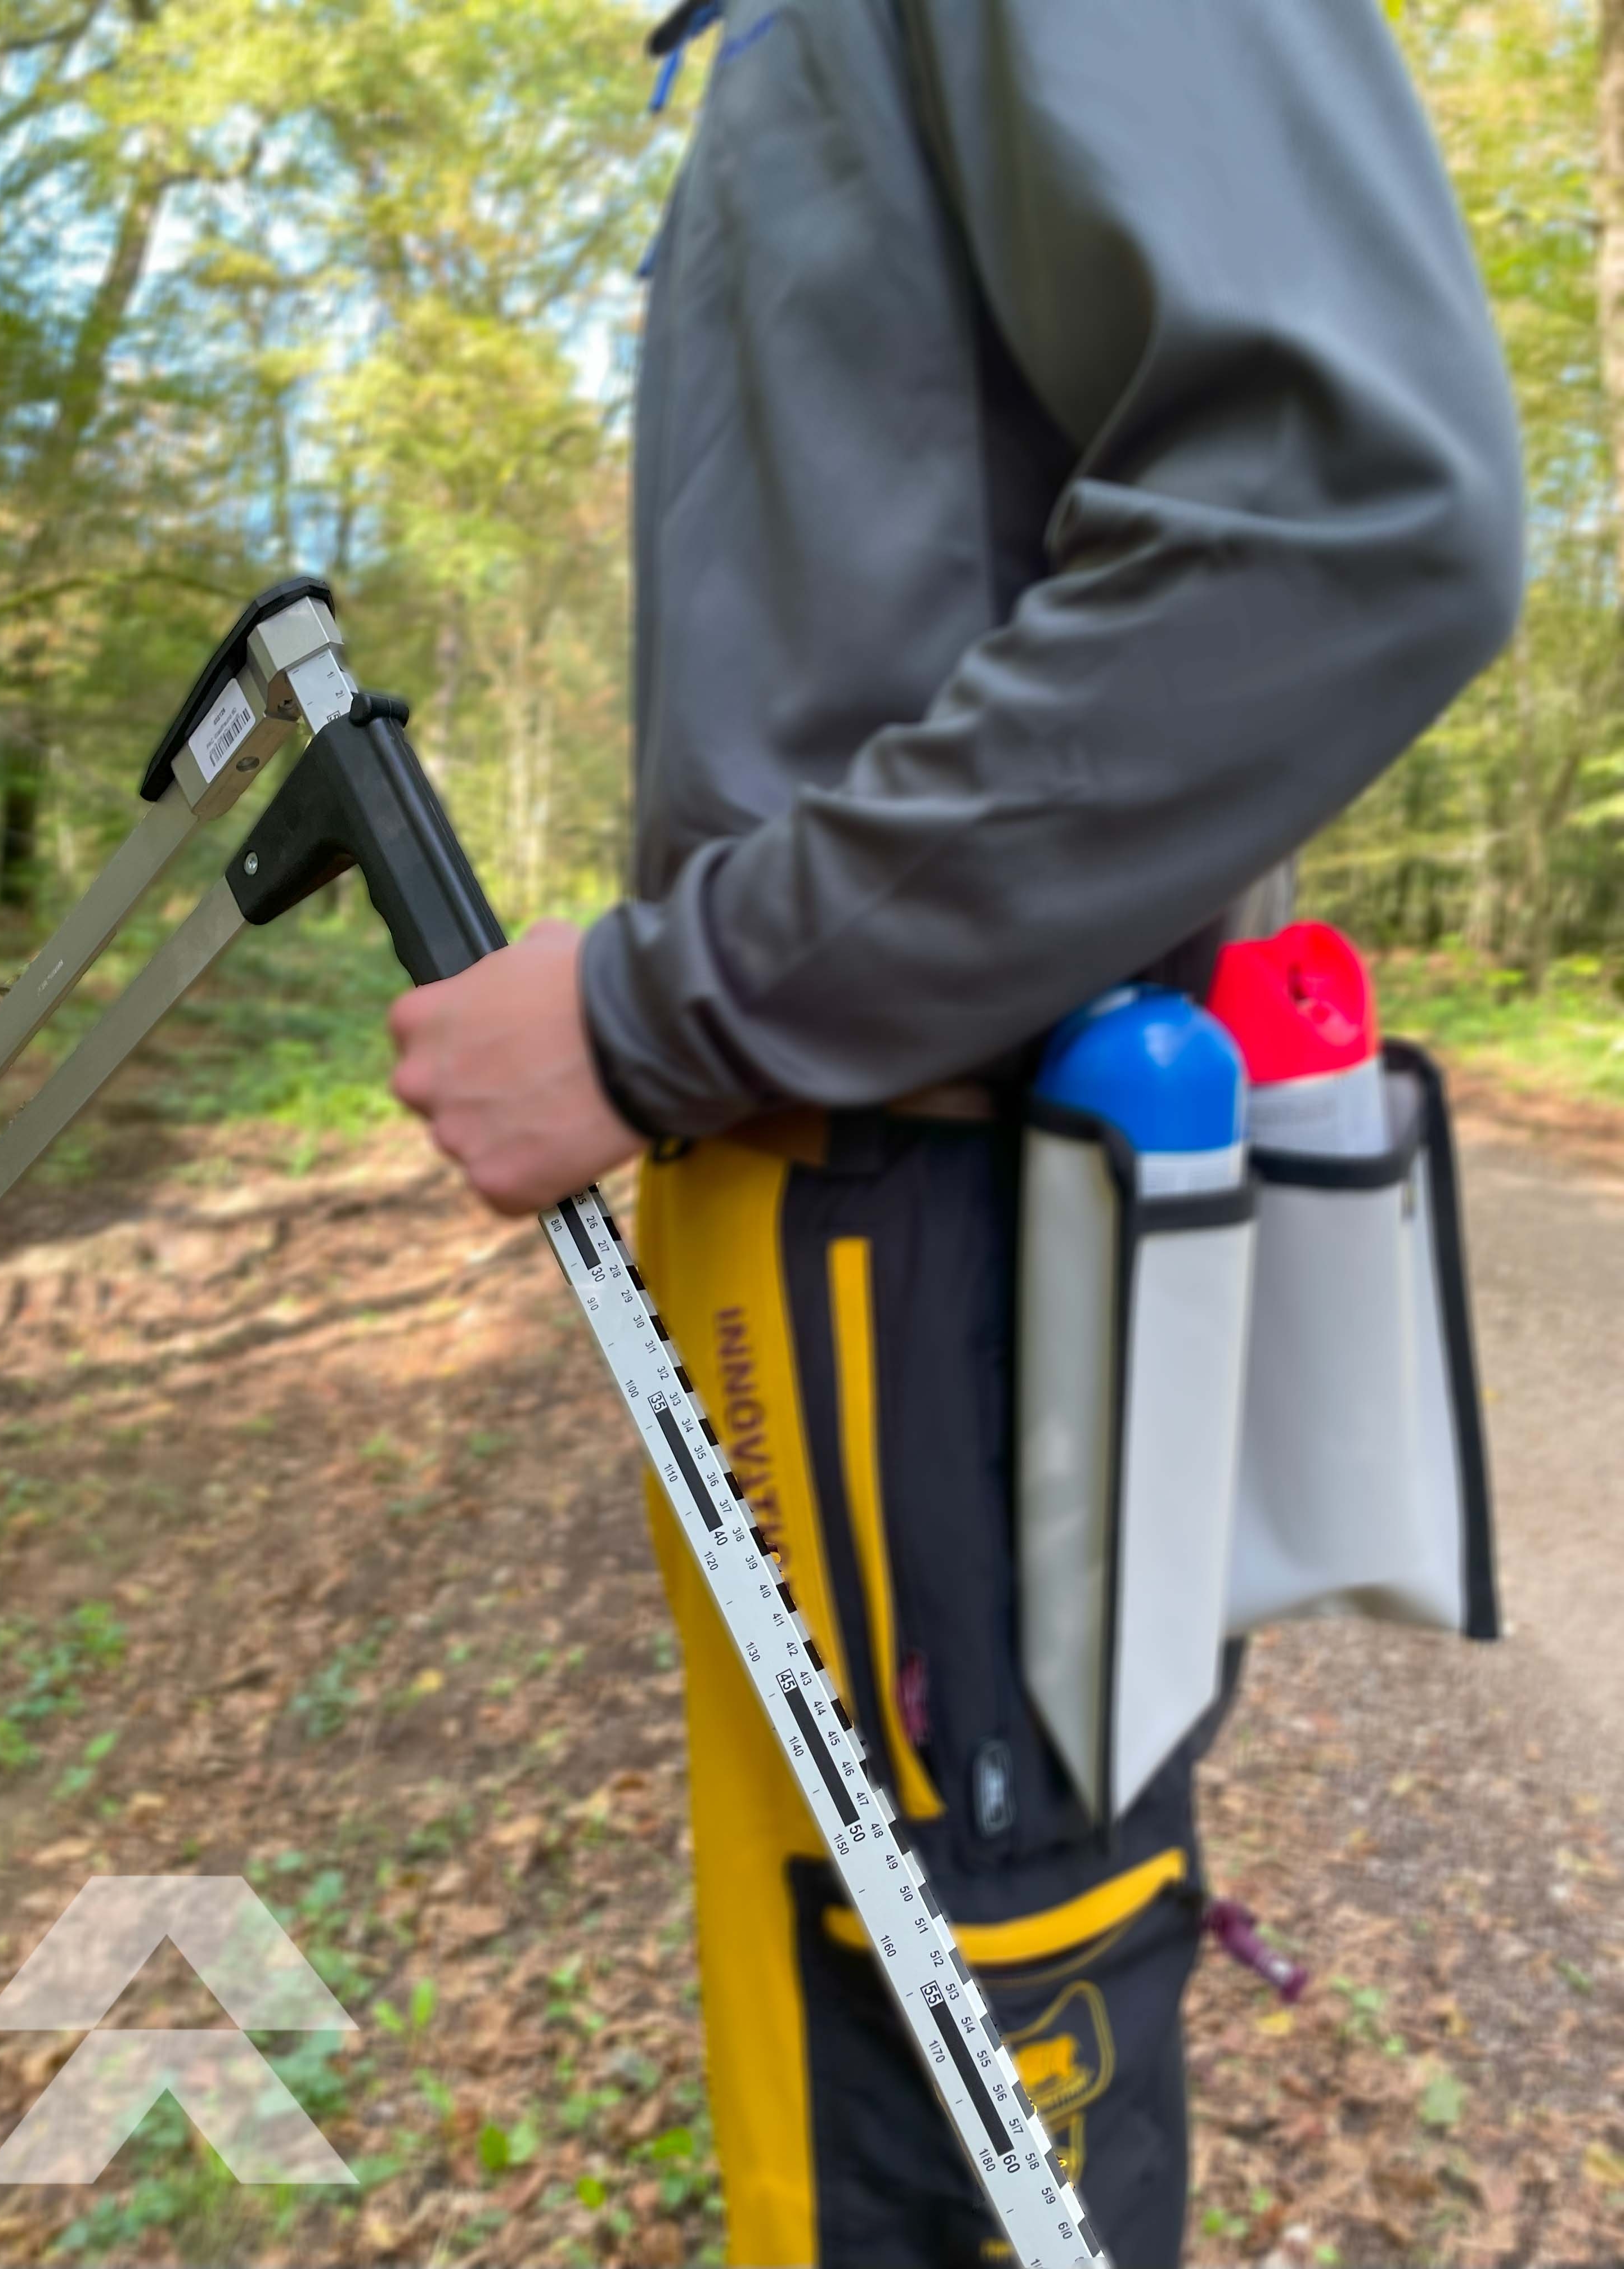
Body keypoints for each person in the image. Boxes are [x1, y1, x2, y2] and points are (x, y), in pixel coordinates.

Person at [385, 2, 1523, 2261]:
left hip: (943, 1220)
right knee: (841, 2103)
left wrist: (651, 1008)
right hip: (826, 1203)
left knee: (947, 2132)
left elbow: (1353, 521)